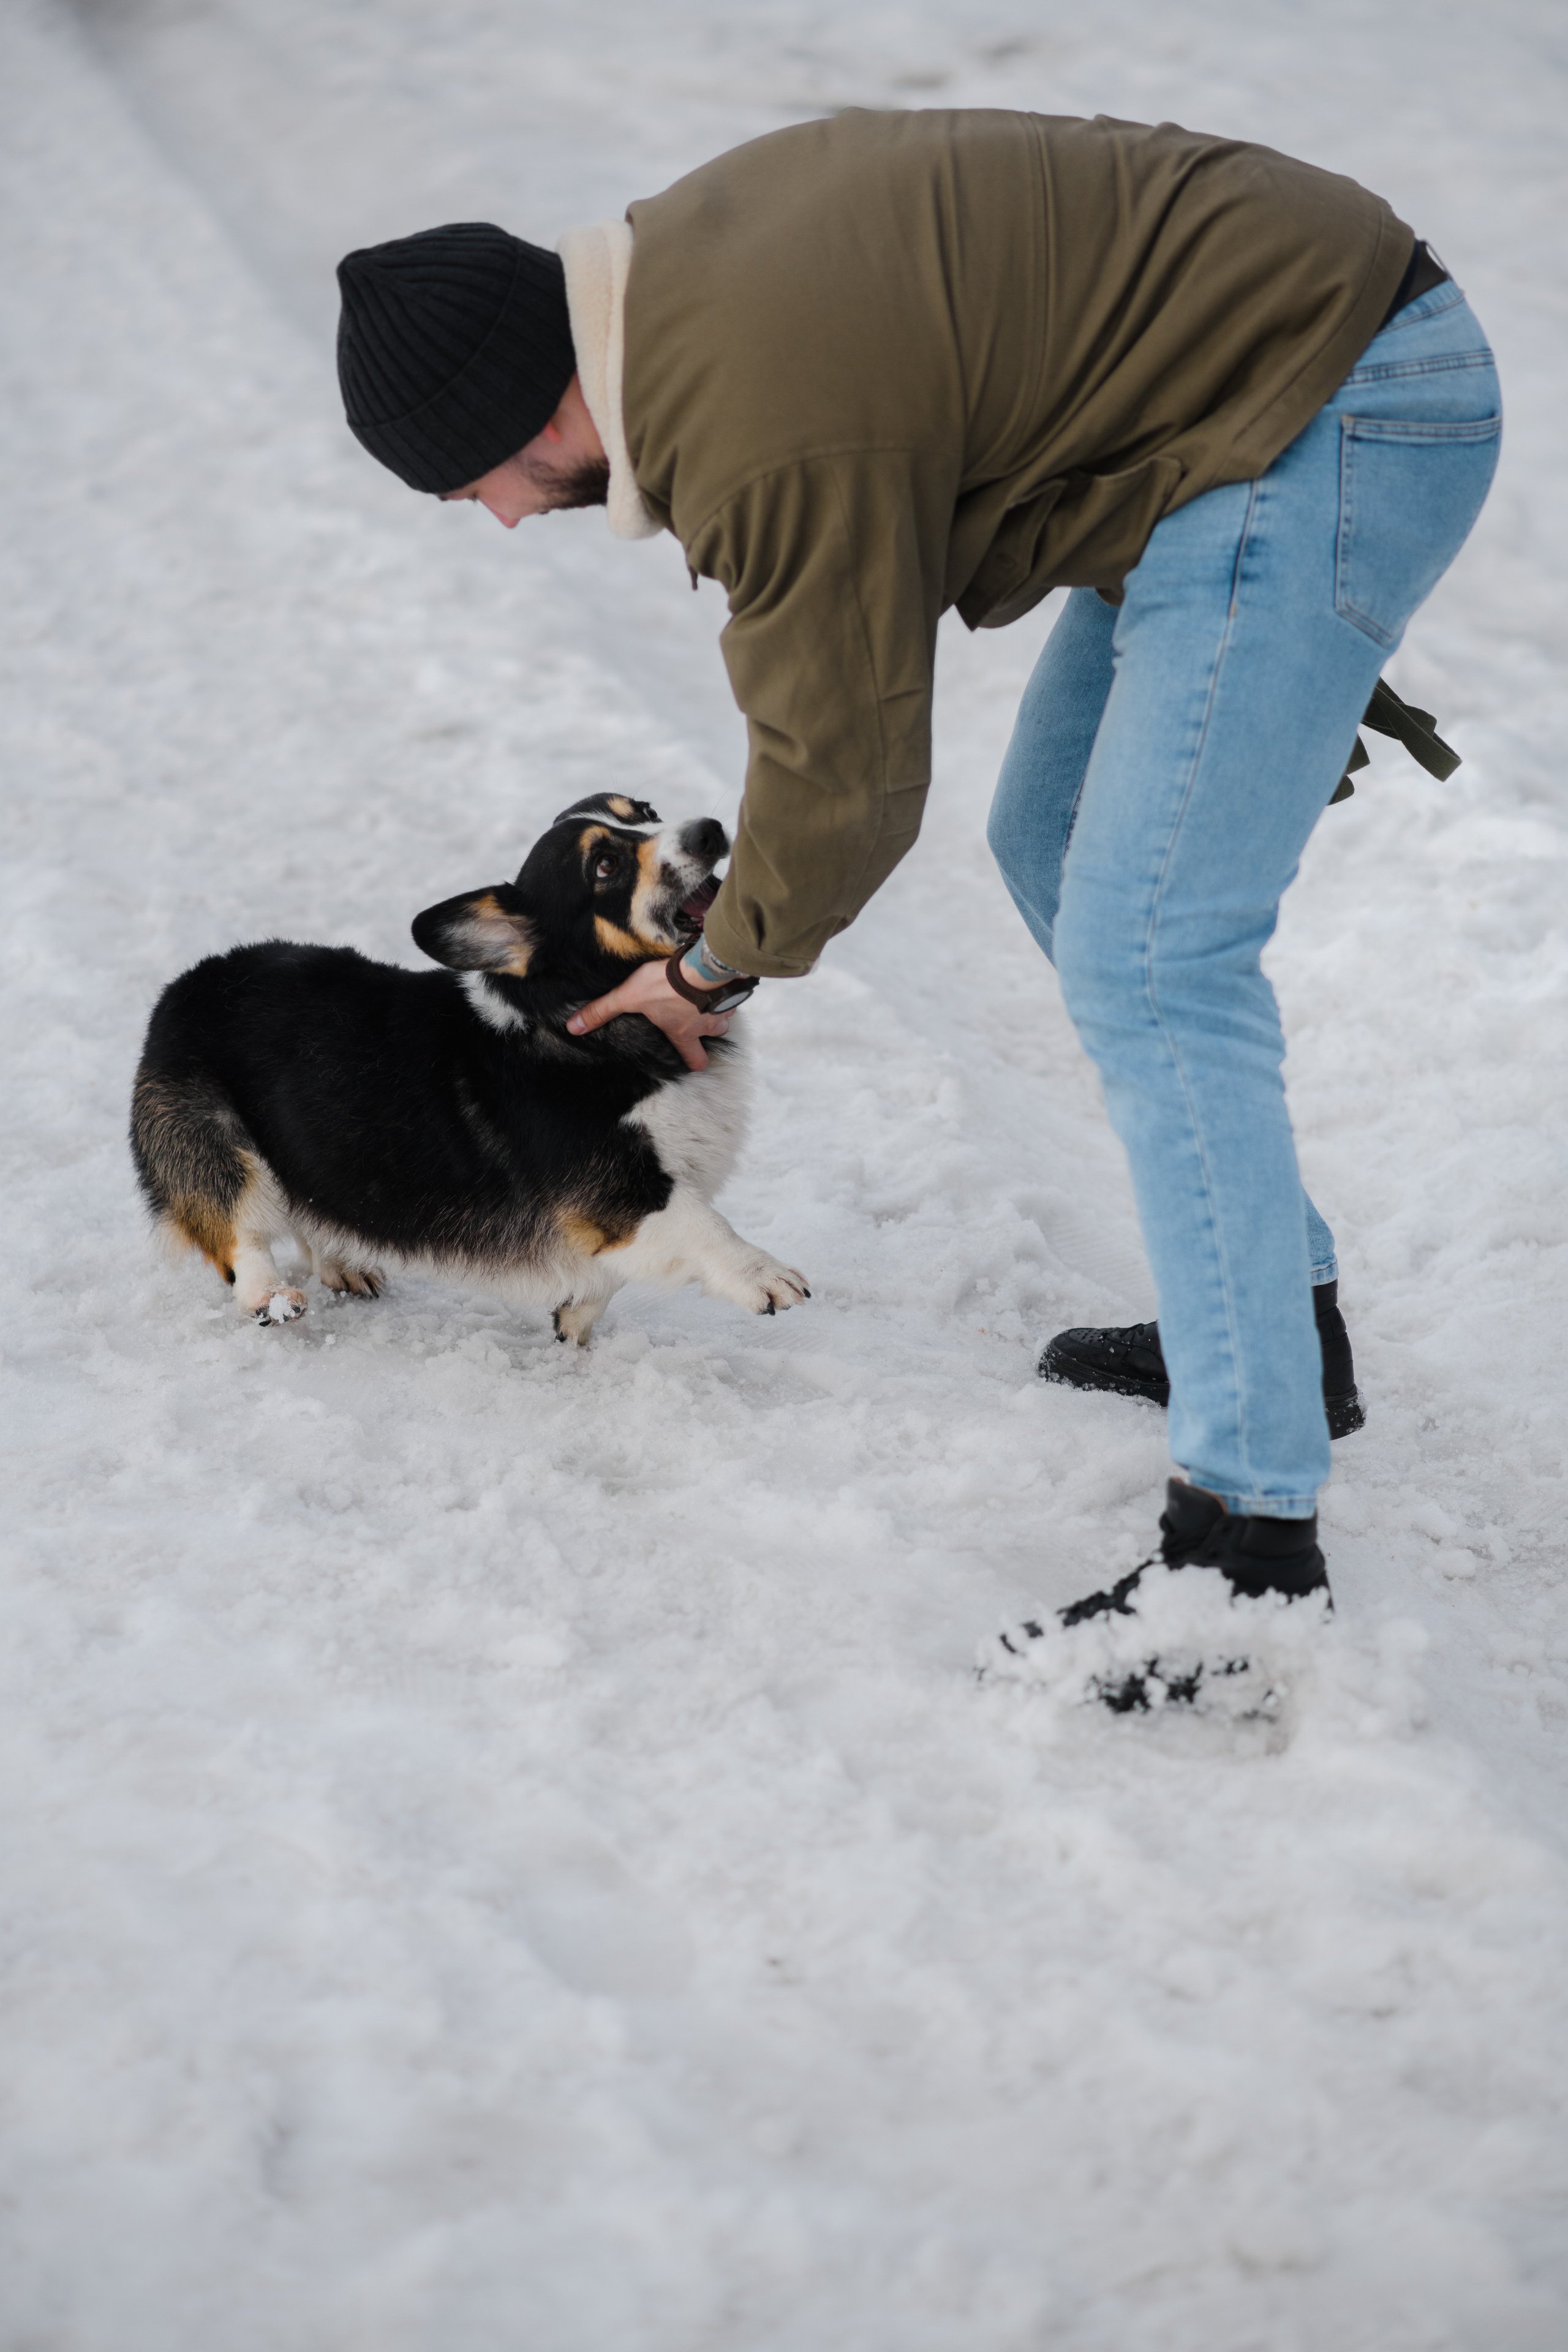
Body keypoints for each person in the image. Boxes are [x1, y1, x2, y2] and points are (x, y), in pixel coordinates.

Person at [334, 110, 1499, 1703]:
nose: (497, 518)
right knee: (1061, 840)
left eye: (466, 483)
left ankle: (1246, 1561)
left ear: (514, 412)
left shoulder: (750, 418)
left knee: (1154, 954)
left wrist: (709, 972)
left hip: (1325, 398)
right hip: (1249, 400)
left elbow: (847, 772)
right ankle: (1281, 1335)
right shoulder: (686, 294)